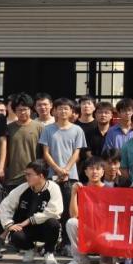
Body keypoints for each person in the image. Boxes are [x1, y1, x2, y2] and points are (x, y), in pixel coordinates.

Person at [0, 160, 63, 264]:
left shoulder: (53, 188)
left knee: (53, 223)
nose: (26, 177)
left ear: (41, 176)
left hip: (44, 228)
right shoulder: (23, 188)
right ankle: (30, 250)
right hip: (27, 229)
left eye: (29, 175)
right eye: (26, 174)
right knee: (15, 235)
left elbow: (54, 211)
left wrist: (29, 220)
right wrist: (9, 224)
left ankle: (49, 252)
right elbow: (5, 205)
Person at [38, 98, 86, 231]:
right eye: (60, 108)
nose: (63, 111)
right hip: (51, 175)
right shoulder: (47, 129)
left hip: (70, 176)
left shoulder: (77, 130)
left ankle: (66, 239)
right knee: (51, 208)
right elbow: (45, 153)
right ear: (54, 111)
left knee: (68, 209)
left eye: (66, 108)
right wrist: (57, 169)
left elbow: (77, 152)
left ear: (71, 111)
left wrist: (66, 169)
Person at [64, 156, 115, 264]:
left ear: (103, 172)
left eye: (98, 168)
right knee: (71, 223)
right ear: (86, 171)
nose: (94, 172)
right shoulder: (81, 189)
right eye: (91, 168)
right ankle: (80, 259)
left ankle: (106, 257)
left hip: (104, 231)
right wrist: (74, 193)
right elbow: (74, 215)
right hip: (87, 230)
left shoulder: (109, 191)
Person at [1, 93, 43, 192]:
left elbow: (44, 153)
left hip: (34, 176)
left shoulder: (40, 127)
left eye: (25, 109)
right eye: (19, 110)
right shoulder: (9, 128)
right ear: (14, 111)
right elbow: (4, 151)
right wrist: (2, 169)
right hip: (13, 177)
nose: (23, 112)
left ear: (31, 110)